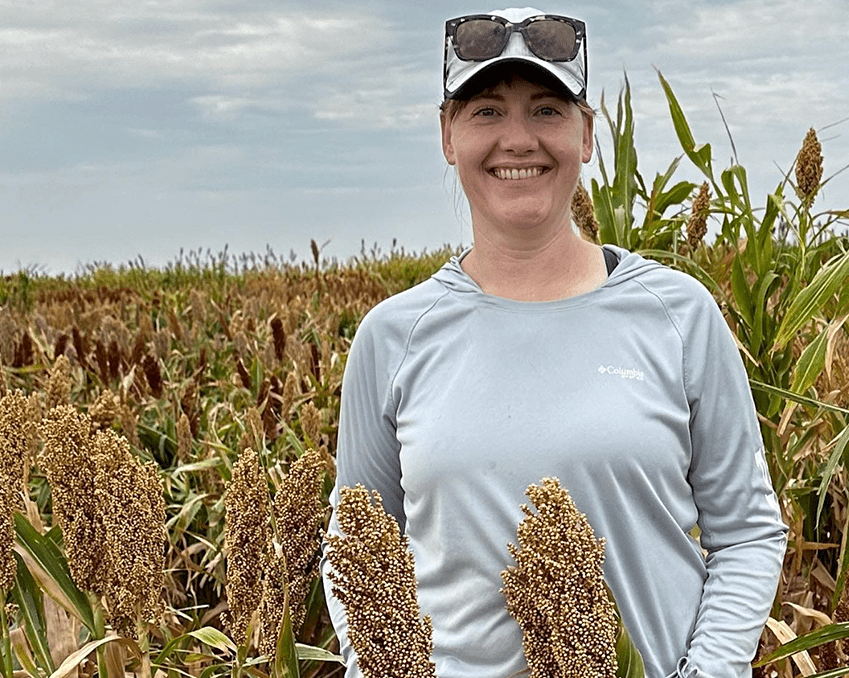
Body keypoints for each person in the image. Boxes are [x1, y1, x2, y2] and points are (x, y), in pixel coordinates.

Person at [321, 7, 787, 678]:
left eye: (546, 110)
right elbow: (358, 540)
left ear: (587, 134)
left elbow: (747, 532)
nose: (518, 140)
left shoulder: (678, 313)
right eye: (485, 111)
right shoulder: (392, 337)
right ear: (447, 134)